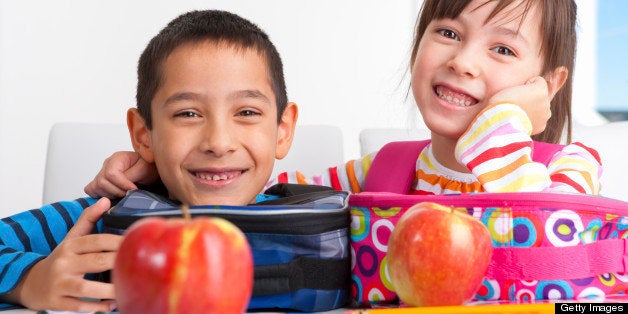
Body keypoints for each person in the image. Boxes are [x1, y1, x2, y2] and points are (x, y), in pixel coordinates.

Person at [88, 0, 601, 199]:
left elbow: (542, 231)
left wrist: (505, 121)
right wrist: (154, 169)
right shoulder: (381, 171)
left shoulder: (571, 170)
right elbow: (263, 192)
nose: (463, 61)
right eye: (447, 32)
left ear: (548, 86)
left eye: (503, 49)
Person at [0, 10, 297, 311]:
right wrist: (33, 280)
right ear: (143, 134)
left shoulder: (316, 220)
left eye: (247, 112)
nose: (218, 144)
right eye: (188, 114)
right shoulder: (98, 221)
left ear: (282, 131)